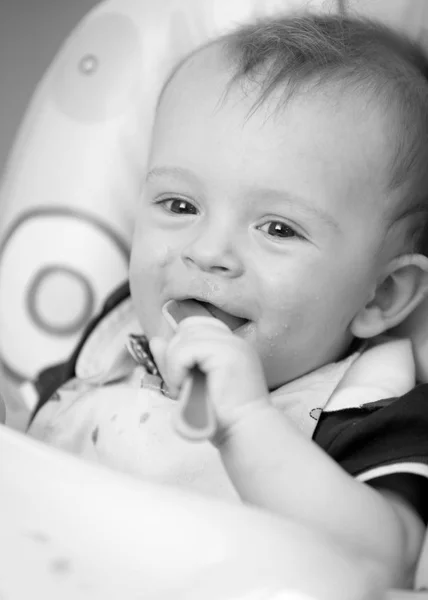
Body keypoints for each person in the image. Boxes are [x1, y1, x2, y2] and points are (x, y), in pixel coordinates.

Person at [26, 13, 428, 589]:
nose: (208, 251)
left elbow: (385, 560)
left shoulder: (369, 410)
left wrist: (245, 422)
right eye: (180, 205)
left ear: (381, 293)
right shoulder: (114, 344)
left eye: (279, 229)